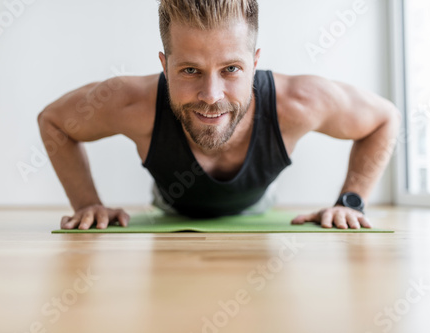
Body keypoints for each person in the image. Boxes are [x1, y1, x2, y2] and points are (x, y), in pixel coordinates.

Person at [37, 0, 401, 230]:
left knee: (262, 197)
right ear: (165, 66)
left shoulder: (299, 101)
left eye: (231, 69)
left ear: (255, 63)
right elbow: (53, 121)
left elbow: (385, 119)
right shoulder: (131, 101)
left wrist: (350, 201)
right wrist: (87, 204)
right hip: (170, 203)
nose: (211, 96)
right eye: (190, 71)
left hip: (257, 200)